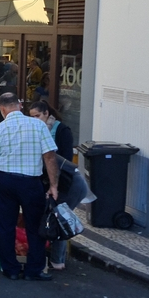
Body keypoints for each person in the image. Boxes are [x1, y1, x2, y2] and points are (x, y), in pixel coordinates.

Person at [0, 93, 59, 281]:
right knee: (35, 225)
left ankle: (11, 269)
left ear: (2, 109)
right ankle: (34, 269)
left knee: (5, 226)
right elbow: (49, 157)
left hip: (6, 181)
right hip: (31, 182)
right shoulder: (39, 125)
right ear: (20, 106)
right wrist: (54, 185)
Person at [29, 100, 88, 270]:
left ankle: (57, 261)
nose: (35, 120)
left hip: (70, 183)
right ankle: (54, 256)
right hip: (57, 182)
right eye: (31, 117)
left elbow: (64, 158)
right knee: (54, 215)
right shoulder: (37, 131)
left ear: (46, 113)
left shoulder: (61, 130)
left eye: (37, 116)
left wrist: (52, 184)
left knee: (59, 217)